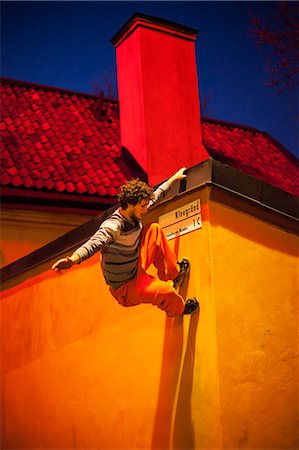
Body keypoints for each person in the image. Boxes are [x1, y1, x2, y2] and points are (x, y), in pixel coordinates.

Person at [52, 168, 199, 317]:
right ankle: (180, 309)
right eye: (142, 206)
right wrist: (74, 259)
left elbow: (157, 196)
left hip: (136, 263)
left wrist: (172, 180)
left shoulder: (136, 210)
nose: (145, 210)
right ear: (129, 204)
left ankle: (174, 275)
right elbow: (94, 243)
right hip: (127, 288)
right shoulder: (113, 226)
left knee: (154, 229)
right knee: (165, 291)